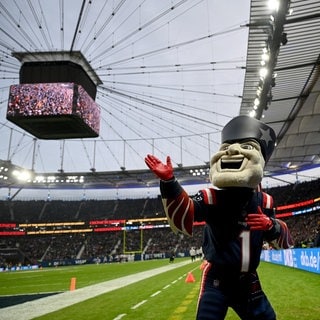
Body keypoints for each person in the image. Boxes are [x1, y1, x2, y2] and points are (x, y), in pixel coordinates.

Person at [145, 115, 293, 320]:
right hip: (217, 281)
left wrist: (270, 225)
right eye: (227, 147)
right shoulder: (212, 197)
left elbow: (284, 243)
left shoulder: (265, 202)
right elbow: (183, 216)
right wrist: (170, 182)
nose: (232, 151)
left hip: (248, 281)